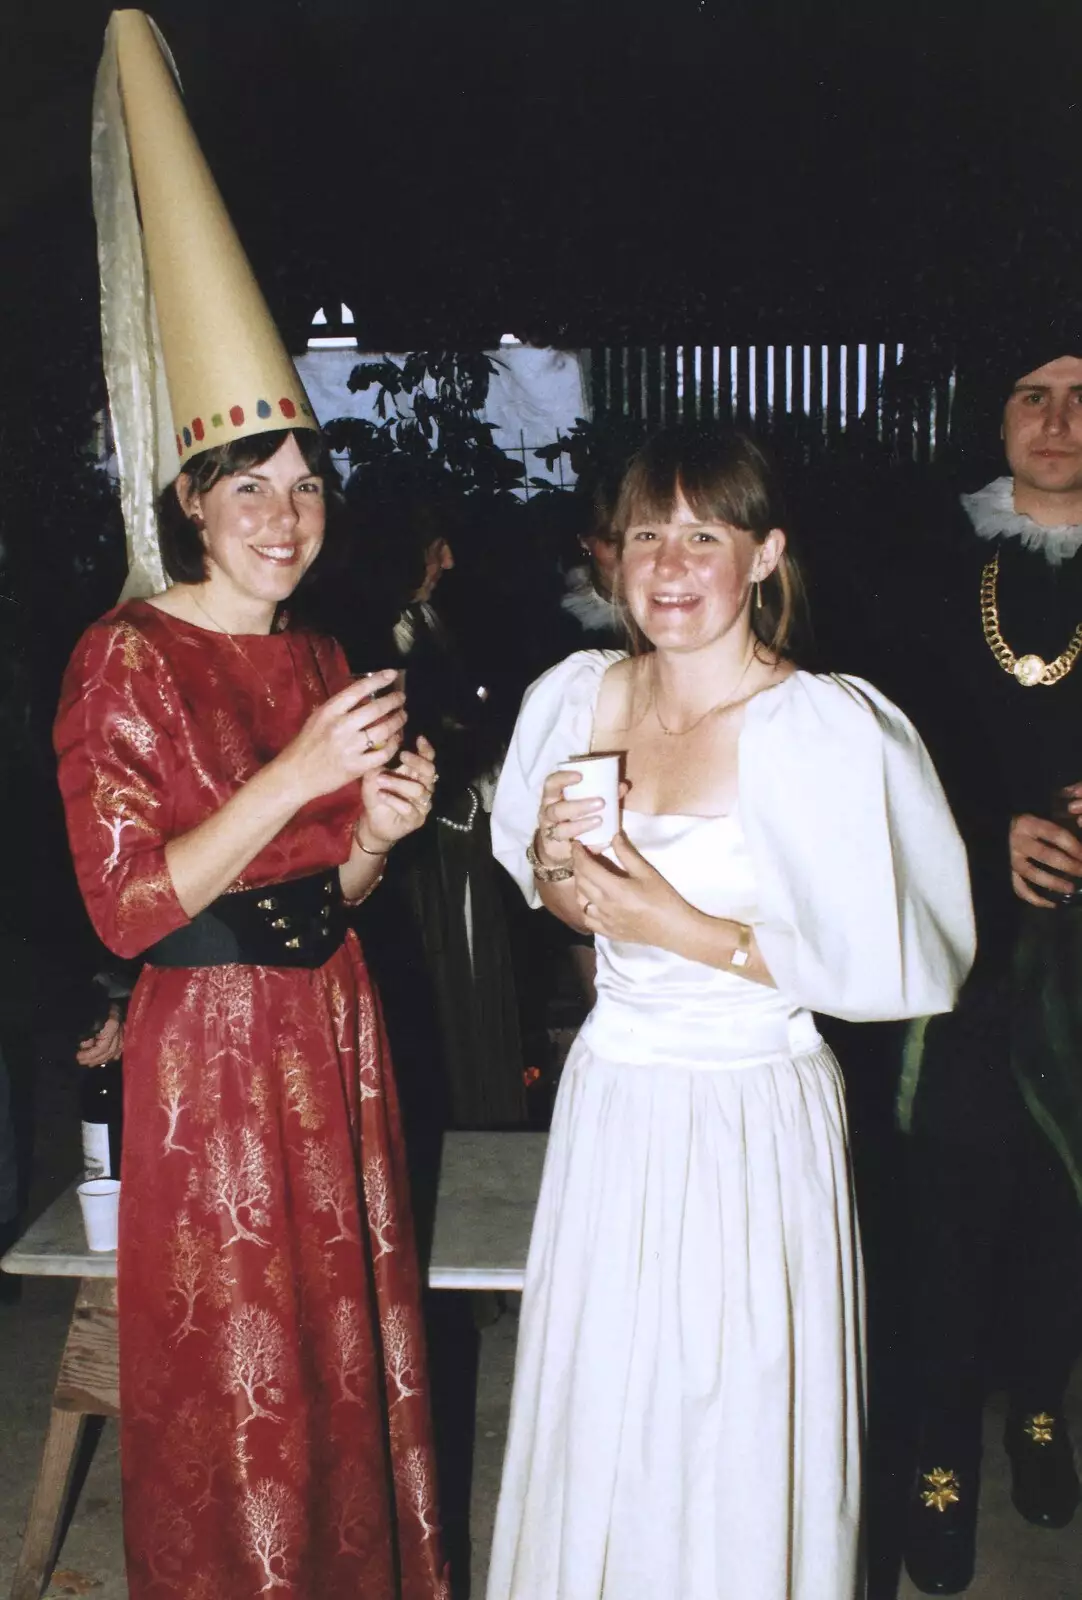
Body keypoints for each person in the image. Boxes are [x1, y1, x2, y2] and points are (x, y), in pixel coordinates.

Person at [54, 15, 449, 1598]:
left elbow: (315, 895)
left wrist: (371, 843)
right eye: (249, 489)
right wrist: (295, 779)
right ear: (190, 507)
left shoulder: (327, 653)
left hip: (327, 1031)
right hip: (207, 1066)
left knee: (344, 1357)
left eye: (304, 484)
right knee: (235, 1386)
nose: (285, 517)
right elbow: (131, 908)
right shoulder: (122, 658)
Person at [487, 425, 975, 1600]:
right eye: (645, 533)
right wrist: (563, 874)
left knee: (734, 1407)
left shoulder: (820, 730)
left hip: (752, 1108)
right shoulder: (578, 695)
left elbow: (896, 963)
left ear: (763, 555)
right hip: (616, 1102)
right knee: (610, 1395)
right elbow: (558, 897)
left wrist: (674, 923)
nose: (668, 564)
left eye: (703, 533)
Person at [875, 326, 1082, 1595]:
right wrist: (973, 828)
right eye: (1031, 394)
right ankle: (937, 1468)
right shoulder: (923, 567)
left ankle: (1045, 1420)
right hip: (959, 944)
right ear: (992, 417)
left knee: (1061, 1204)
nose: (1055, 419)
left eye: (1080, 398)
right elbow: (879, 748)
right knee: (946, 1212)